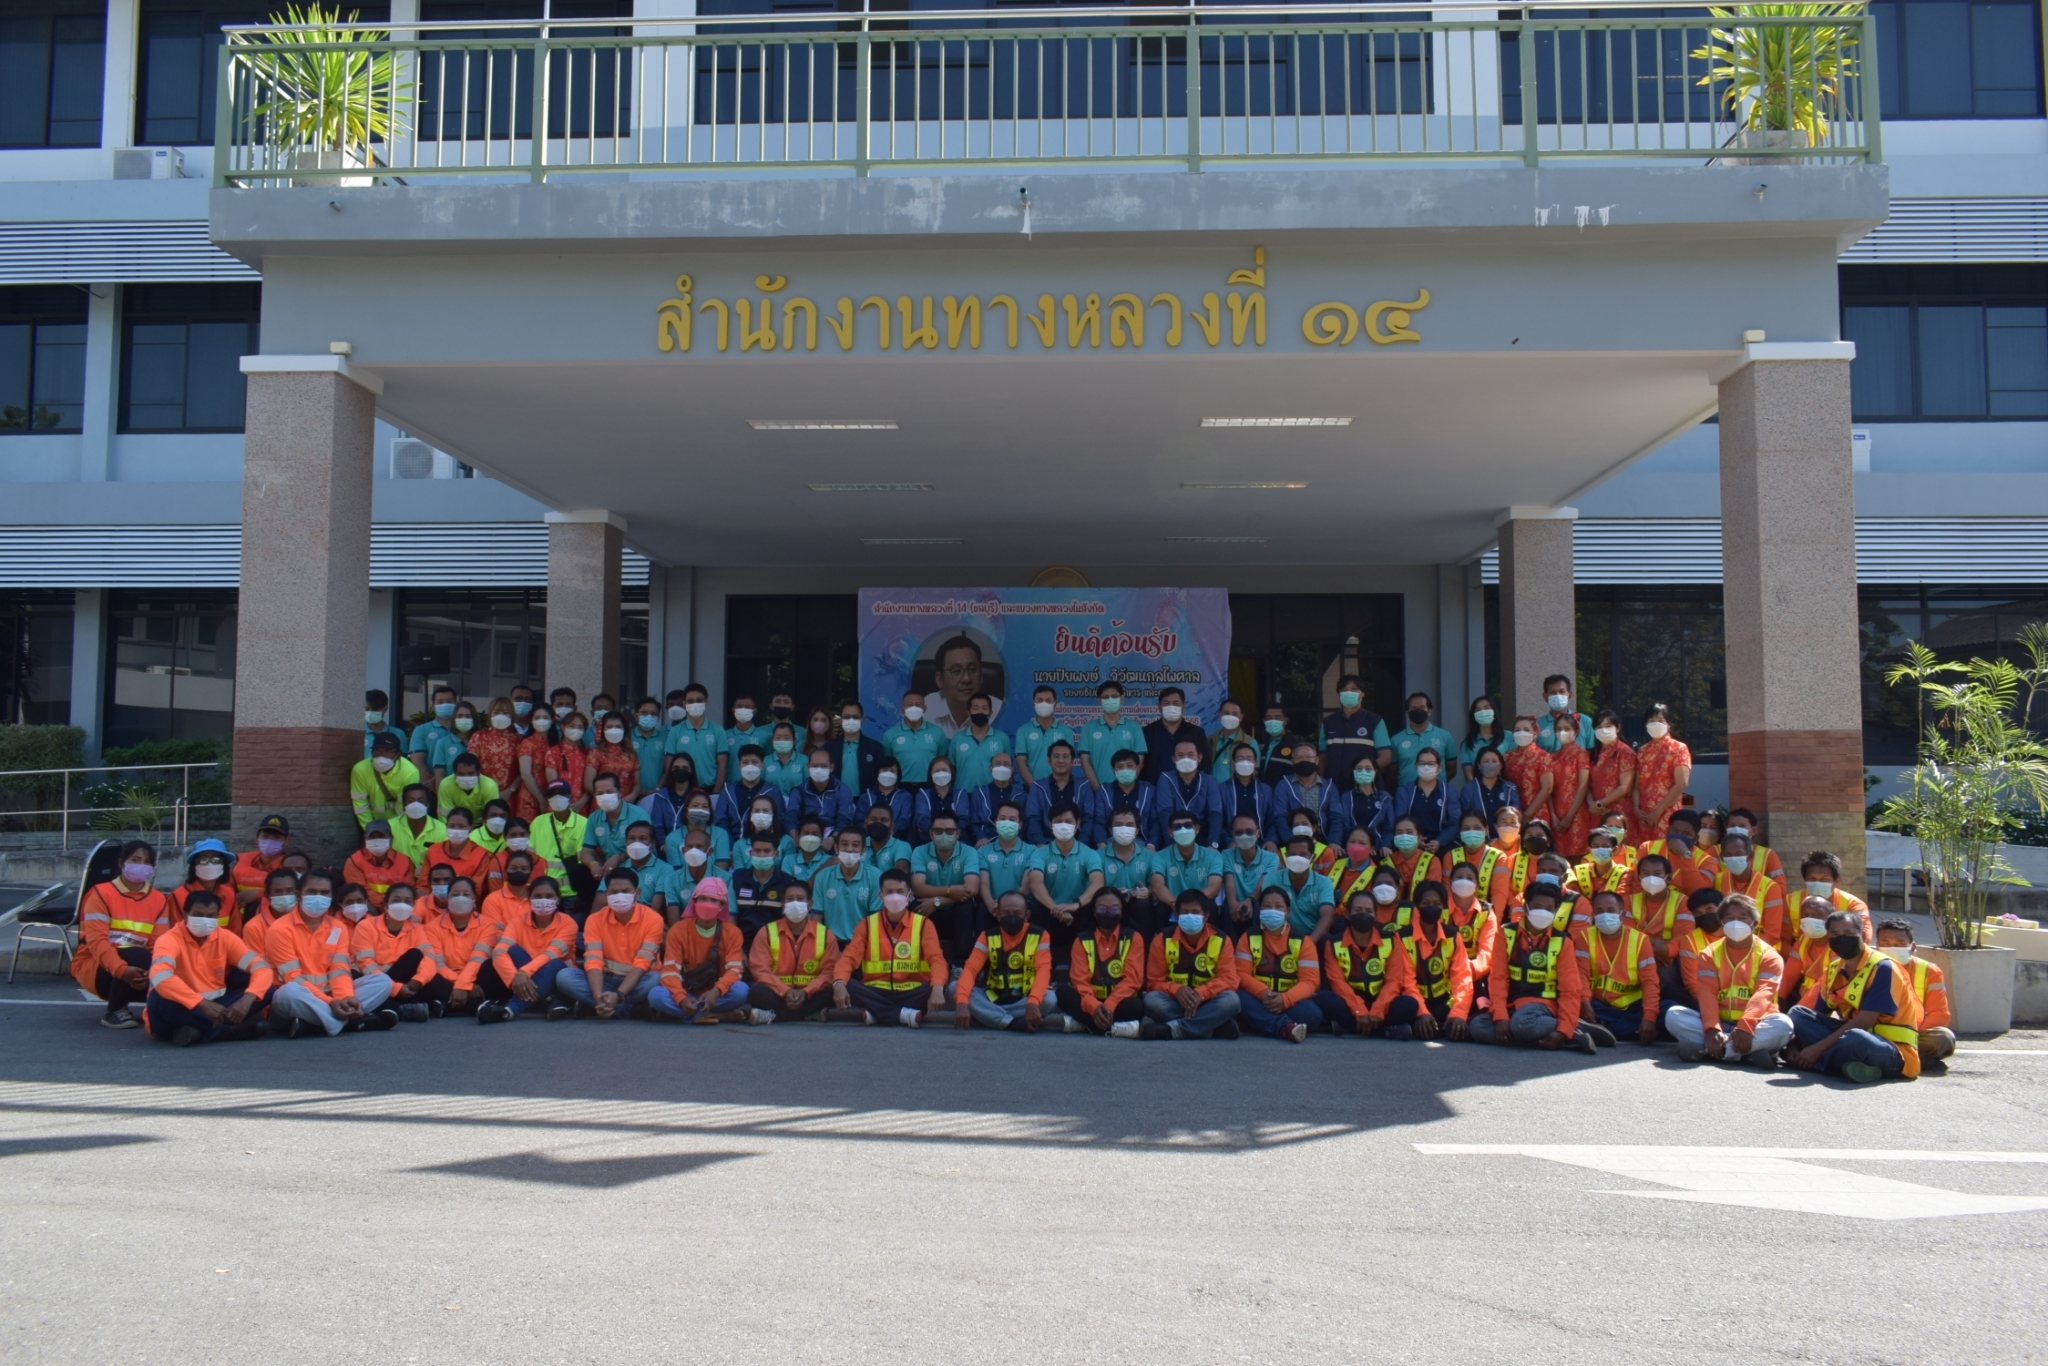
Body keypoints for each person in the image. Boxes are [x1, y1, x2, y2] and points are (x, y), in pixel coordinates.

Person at [1788, 909, 1924, 1082]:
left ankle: (1816, 1063)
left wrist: (1816, 1049)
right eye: (1835, 934)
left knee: (1855, 1039)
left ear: (1863, 935)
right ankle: (1844, 1065)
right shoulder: (1833, 969)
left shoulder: (1883, 967)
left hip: (1891, 1049)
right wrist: (1793, 1044)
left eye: (1848, 933)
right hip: (1848, 1035)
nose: (1841, 939)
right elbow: (1819, 1014)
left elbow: (1866, 1020)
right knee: (1798, 1014)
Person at [1667, 893, 1794, 1067]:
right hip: (1719, 1022)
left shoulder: (1769, 956)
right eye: (1730, 918)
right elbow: (1707, 993)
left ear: (1755, 923)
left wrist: (1745, 1026)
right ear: (1722, 922)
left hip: (1756, 1024)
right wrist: (1712, 1028)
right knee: (1674, 1015)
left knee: (1784, 1025)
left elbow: (1763, 993)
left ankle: (1709, 1051)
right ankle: (1745, 1054)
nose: (1736, 922)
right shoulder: (1709, 953)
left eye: (1743, 917)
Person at [266, 871, 399, 1037]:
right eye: (312, 892)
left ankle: (320, 1024)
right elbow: (293, 977)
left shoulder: (338, 927)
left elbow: (339, 969)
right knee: (289, 992)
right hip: (299, 997)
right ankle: (352, 1022)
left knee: (382, 981)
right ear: (299, 895)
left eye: (324, 893)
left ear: (331, 897)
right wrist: (331, 1002)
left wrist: (346, 997)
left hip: (330, 994)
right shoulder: (279, 929)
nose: (318, 897)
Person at [1470, 884, 1595, 1052]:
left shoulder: (1563, 942)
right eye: (1537, 906)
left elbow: (1570, 990)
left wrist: (1563, 1029)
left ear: (1556, 911)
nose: (1543, 912)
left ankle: (1568, 1028)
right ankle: (1570, 1036)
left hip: (1545, 1006)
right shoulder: (1506, 933)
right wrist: (1500, 1017)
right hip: (1513, 1006)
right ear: (1526, 907)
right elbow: (1498, 979)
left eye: (1549, 908)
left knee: (1522, 1024)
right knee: (1478, 1026)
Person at [142, 889, 272, 1045]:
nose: (204, 920)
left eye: (210, 916)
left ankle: (195, 1032)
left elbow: (261, 967)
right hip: (180, 1008)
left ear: (217, 917)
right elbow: (161, 977)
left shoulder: (225, 938)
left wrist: (248, 998)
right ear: (185, 916)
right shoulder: (168, 940)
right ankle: (224, 1032)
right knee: (157, 998)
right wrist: (201, 1003)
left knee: (266, 989)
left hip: (216, 1006)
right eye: (198, 915)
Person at [71, 840, 174, 1029]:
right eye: (135, 860)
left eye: (147, 862)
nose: (141, 865)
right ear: (121, 863)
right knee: (137, 954)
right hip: (96, 965)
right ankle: (114, 1010)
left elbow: (159, 944)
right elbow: (97, 942)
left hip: (139, 969)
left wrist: (152, 973)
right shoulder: (101, 894)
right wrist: (122, 970)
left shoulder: (159, 899)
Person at [831, 871, 949, 1027]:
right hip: (875, 991)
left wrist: (937, 989)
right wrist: (839, 984)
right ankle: (903, 1014)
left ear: (909, 896)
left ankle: (877, 1012)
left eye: (900, 892)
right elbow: (848, 958)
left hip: (911, 991)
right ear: (881, 896)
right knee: (845, 983)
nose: (895, 897)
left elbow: (936, 959)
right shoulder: (867, 924)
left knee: (939, 984)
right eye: (889, 892)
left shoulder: (923, 924)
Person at [652, 879, 761, 1023]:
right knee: (656, 995)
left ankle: (685, 1015)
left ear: (722, 905)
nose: (707, 904)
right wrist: (681, 998)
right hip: (686, 993)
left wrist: (716, 991)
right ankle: (719, 1016)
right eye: (703, 899)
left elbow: (734, 970)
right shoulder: (678, 930)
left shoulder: (733, 933)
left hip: (716, 995)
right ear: (694, 902)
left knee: (741, 990)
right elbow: (670, 971)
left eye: (714, 900)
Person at [1314, 889, 1420, 1038]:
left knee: (1409, 1004)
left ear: (1376, 915)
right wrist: (1359, 1010)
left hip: (1381, 1001)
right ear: (1347, 914)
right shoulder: (1332, 944)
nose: (1363, 915)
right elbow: (1337, 983)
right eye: (1358, 910)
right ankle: (1385, 1031)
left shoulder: (1391, 940)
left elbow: (1394, 981)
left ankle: (1351, 1028)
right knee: (1323, 998)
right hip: (1350, 1002)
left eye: (1368, 911)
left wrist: (1378, 1009)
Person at [560, 869, 664, 1019]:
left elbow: (643, 963)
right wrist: (597, 996)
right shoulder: (595, 919)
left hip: (639, 980)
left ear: (637, 893)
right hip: (606, 979)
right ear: (606, 895)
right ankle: (626, 1009)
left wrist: (619, 994)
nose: (620, 896)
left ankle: (596, 1007)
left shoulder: (653, 919)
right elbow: (593, 960)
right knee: (564, 977)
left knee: (656, 979)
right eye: (614, 892)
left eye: (625, 891)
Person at [1142, 892, 1245, 1039]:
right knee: (1152, 1000)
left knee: (1231, 1001)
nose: (1190, 916)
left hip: (1208, 1001)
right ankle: (1211, 1026)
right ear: (1176, 915)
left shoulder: (1222, 940)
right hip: (1175, 1002)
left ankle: (1172, 1030)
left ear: (1206, 916)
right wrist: (1177, 990)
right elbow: (1153, 982)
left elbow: (1229, 979)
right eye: (1185, 912)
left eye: (1195, 912)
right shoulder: (1162, 940)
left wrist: (1200, 993)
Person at [954, 889, 1060, 1032]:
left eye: (1017, 913)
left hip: (1025, 1000)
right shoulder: (987, 936)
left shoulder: (1040, 935)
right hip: (992, 998)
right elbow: (971, 969)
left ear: (1026, 915)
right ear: (997, 914)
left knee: (1050, 998)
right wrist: (961, 1001)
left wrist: (1034, 1001)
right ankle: (1011, 1023)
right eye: (1006, 913)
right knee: (955, 987)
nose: (1012, 917)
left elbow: (1043, 970)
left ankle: (988, 1017)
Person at [476, 876, 578, 1023]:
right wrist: (514, 978)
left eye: (549, 896)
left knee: (556, 963)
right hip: (526, 977)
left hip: (556, 975)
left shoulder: (568, 924)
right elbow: (499, 951)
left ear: (558, 899)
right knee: (514, 951)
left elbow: (550, 955)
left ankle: (509, 1010)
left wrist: (523, 973)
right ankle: (548, 999)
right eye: (538, 896)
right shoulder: (517, 922)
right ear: (529, 899)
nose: (543, 900)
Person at [1233, 888, 1323, 1042]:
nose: (1272, 911)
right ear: (1259, 910)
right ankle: (1284, 1027)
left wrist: (1285, 999)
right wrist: (1263, 993)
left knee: (1312, 1014)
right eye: (1267, 906)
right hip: (1258, 999)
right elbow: (1240, 974)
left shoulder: (1303, 941)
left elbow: (1310, 981)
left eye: (1278, 906)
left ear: (1288, 912)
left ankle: (1258, 1022)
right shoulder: (1248, 937)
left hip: (1290, 1001)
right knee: (1237, 998)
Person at [349, 879, 444, 1022]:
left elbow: (429, 957)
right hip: (375, 979)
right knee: (354, 977)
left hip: (405, 978)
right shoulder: (366, 926)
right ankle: (401, 1008)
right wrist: (395, 988)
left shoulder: (417, 929)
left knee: (417, 958)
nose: (402, 905)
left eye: (407, 901)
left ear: (413, 906)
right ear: (386, 904)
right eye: (397, 900)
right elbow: (365, 963)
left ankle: (396, 1006)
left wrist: (417, 981)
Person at [1060, 888, 1148, 1037]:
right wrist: (1094, 1006)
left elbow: (1133, 980)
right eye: (1102, 908)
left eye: (1114, 909)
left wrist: (1110, 1004)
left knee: (1137, 1006)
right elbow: (1079, 981)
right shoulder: (1081, 940)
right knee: (1063, 993)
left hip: (1120, 1000)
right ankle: (1111, 1028)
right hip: (1091, 998)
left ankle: (1087, 1024)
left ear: (1122, 911)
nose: (1108, 913)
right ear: (1094, 911)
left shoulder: (1134, 937)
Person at [745, 885, 839, 1022]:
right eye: (790, 899)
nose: (795, 903)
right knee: (757, 991)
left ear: (810, 904)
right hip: (778, 993)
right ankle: (808, 1014)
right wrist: (785, 991)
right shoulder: (767, 932)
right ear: (783, 904)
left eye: (800, 899)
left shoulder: (825, 934)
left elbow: (829, 972)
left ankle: (775, 1015)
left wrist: (806, 992)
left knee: (833, 990)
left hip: (811, 994)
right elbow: (760, 969)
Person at [1579, 889, 1661, 1045]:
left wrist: (1649, 1017)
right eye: (1599, 911)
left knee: (1667, 1010)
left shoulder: (1640, 940)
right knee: (1573, 1004)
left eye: (1611, 910)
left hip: (1633, 1006)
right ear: (1593, 915)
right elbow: (1581, 975)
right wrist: (1584, 1002)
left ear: (1622, 915)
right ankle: (1623, 1030)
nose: (1605, 915)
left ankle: (1604, 1029)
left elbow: (1650, 982)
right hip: (1597, 1005)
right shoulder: (1583, 937)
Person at [1025, 803, 1105, 956]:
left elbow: (1098, 883)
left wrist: (1075, 905)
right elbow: (1035, 883)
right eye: (1058, 821)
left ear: (1078, 824)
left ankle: (1084, 960)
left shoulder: (1090, 854)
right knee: (1034, 906)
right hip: (1050, 909)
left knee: (1092, 907)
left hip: (1078, 910)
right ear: (1050, 824)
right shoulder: (1039, 854)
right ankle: (1044, 961)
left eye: (1068, 821)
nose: (1063, 826)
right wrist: (1055, 908)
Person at [1400, 881, 1474, 1040]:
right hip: (1415, 1003)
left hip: (1444, 1002)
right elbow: (1407, 982)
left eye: (1436, 904)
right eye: (1426, 903)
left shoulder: (1453, 936)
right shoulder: (1402, 937)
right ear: (1417, 905)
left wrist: (1458, 1013)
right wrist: (1422, 1013)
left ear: (1443, 907)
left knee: (1463, 1025)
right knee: (1406, 1011)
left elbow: (1462, 977)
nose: (1431, 907)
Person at [1875, 918, 1955, 1064]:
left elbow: (1940, 1014)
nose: (1892, 949)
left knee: (1943, 1038)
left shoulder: (1930, 971)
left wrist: (1910, 1037)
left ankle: (1890, 1061)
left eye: (1900, 944)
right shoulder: (1867, 968)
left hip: (1916, 1035)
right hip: (1876, 1033)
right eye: (1886, 944)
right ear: (1877, 946)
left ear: (1912, 947)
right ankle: (1911, 1062)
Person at [431, 877, 507, 1018]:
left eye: (466, 894)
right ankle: (475, 1005)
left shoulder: (488, 925)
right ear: (447, 898)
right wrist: (463, 985)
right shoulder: (432, 927)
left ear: (474, 899)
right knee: (427, 973)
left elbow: (478, 959)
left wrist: (463, 985)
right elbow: (438, 965)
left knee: (492, 965)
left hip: (477, 977)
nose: (460, 898)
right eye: (455, 894)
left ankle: (447, 1004)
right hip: (446, 978)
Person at [912, 810, 984, 958]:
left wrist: (937, 901)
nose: (944, 835)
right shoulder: (919, 851)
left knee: (966, 905)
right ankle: (920, 960)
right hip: (929, 909)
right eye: (938, 831)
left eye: (949, 831)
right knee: (915, 904)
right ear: (931, 834)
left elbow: (971, 889)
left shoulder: (969, 852)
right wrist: (950, 890)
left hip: (953, 910)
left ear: (957, 834)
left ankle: (959, 964)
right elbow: (918, 888)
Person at [1712, 828, 1786, 948]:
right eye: (1728, 855)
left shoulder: (1770, 887)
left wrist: (1744, 951)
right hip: (1725, 948)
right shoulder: (1716, 881)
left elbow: (1772, 935)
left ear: (1750, 856)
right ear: (1721, 857)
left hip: (1761, 950)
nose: (1733, 858)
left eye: (1739, 854)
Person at [1630, 702, 1693, 840]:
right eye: (1651, 720)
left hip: (1667, 813)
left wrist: (1658, 811)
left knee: (1667, 849)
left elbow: (1681, 783)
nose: (1655, 724)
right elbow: (1636, 786)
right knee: (1647, 850)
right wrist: (1636, 808)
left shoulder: (1678, 748)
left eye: (1660, 720)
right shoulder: (1642, 751)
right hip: (1644, 815)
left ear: (1668, 724)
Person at [1322, 675, 1392, 790]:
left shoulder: (1375, 721)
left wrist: (1366, 773)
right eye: (1344, 690)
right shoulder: (1328, 722)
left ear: (1363, 693)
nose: (1349, 693)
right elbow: (1323, 758)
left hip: (1364, 786)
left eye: (1354, 689)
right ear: (1339, 694)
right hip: (1333, 785)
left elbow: (1386, 756)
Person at [1152, 737, 1225, 848]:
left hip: (1203, 838)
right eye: (1180, 755)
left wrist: (1213, 844)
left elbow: (1215, 814)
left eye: (1191, 755)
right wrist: (1170, 845)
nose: (1186, 759)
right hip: (1174, 838)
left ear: (1199, 758)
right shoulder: (1165, 779)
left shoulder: (1209, 781)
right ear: (1173, 759)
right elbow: (1164, 813)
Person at [1262, 833, 1337, 941]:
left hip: (1312, 936)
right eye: (1292, 854)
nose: (1297, 858)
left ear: (1312, 858)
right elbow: (1268, 912)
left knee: (1327, 939)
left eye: (1303, 854)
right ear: (1286, 856)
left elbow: (1327, 916)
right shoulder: (1272, 878)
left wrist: (1309, 943)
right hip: (1280, 934)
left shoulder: (1324, 882)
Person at [580, 771, 652, 884]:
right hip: (610, 869)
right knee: (578, 872)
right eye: (600, 793)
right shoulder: (594, 818)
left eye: (609, 792)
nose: (605, 797)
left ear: (620, 792)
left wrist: (619, 857)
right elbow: (586, 852)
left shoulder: (638, 815)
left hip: (637, 864)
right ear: (594, 796)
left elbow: (644, 847)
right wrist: (593, 865)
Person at [813, 826, 883, 941]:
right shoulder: (822, 877)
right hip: (831, 942)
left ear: (863, 850)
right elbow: (817, 917)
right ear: (836, 847)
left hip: (863, 942)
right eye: (844, 844)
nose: (849, 849)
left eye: (855, 845)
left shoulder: (875, 876)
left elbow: (875, 920)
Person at [923, 635, 1000, 738]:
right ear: (940, 679)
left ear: (981, 675)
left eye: (972, 669)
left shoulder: (999, 710)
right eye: (956, 671)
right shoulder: (924, 712)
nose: (966, 679)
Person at [1077, 680, 1147, 787]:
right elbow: (1085, 762)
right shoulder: (1089, 727)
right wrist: (1098, 790)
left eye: (1114, 696)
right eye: (1105, 697)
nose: (1110, 700)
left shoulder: (1134, 727)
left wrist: (1127, 788)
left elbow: (1139, 762)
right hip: (1098, 788)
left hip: (1127, 790)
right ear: (1099, 700)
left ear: (1122, 698)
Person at [1389, 754, 1461, 857]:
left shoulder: (1448, 791)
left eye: (1431, 764)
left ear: (1439, 767)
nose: (1426, 767)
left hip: (1441, 841)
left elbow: (1454, 823)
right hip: (1410, 839)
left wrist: (1439, 841)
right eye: (1422, 763)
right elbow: (1399, 820)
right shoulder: (1404, 790)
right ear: (1416, 766)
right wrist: (1415, 839)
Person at [1023, 740, 1091, 844]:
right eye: (1056, 756)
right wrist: (1040, 844)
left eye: (1065, 756)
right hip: (1046, 844)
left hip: (1077, 844)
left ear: (1073, 761)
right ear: (1049, 761)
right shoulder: (1037, 787)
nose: (1061, 760)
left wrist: (1081, 845)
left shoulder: (1083, 786)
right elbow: (1033, 818)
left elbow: (1088, 818)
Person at [662, 683, 727, 791]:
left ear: (706, 701)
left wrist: (715, 793)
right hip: (683, 790)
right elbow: (669, 765)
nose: (695, 704)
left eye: (699, 700)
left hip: (709, 790)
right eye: (690, 701)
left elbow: (722, 766)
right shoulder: (675, 731)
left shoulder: (718, 731)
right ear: (684, 703)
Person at [1221, 813, 1281, 930]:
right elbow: (1229, 883)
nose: (1244, 836)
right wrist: (1232, 902)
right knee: (1226, 908)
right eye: (1239, 832)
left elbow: (1262, 885)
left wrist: (1250, 901)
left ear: (1258, 833)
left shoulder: (1271, 858)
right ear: (1232, 834)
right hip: (1235, 902)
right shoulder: (1226, 855)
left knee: (1258, 907)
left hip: (1257, 903)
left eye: (1249, 832)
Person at [1585, 709, 1637, 843]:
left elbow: (1625, 787)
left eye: (1608, 726)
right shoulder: (1593, 754)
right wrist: (1592, 804)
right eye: (1599, 727)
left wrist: (1599, 804)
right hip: (1597, 813)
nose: (1604, 730)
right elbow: (1588, 785)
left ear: (1617, 728)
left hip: (1619, 813)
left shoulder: (1625, 752)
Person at [1386, 692, 1455, 789]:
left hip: (1437, 792)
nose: (1418, 711)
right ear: (1407, 713)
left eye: (1422, 707)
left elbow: (1452, 769)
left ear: (1429, 711)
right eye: (1413, 708)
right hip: (1406, 793)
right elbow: (1392, 772)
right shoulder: (1396, 739)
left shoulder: (1445, 736)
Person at [1797, 850, 1871, 941]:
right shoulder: (1791, 902)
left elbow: (1863, 937)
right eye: (1811, 879)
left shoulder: (1854, 905)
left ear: (1837, 881)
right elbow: (1784, 937)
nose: (1817, 884)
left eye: (1824, 879)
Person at [788, 746, 860, 839]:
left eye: (823, 766)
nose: (819, 770)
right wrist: (795, 838)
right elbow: (791, 817)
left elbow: (844, 820)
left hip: (834, 836)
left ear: (831, 767)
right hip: (806, 834)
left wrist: (832, 839)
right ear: (808, 767)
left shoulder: (843, 790)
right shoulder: (798, 791)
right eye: (814, 766)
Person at [350, 732, 418, 828]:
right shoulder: (360, 769)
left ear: (398, 755)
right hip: (372, 822)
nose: (381, 757)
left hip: (400, 824)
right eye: (377, 752)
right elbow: (360, 803)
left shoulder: (410, 772)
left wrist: (396, 830)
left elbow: (403, 807)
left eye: (388, 752)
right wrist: (370, 829)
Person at [1546, 715, 1592, 858]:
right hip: (1557, 814)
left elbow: (1583, 786)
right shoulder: (1552, 757)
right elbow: (1548, 789)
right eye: (1559, 729)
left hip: (1577, 813)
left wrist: (1569, 816)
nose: (1562, 732)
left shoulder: (1582, 755)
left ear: (1576, 731)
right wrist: (1553, 815)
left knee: (1578, 856)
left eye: (1567, 728)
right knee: (1559, 858)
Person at [880, 688, 946, 787]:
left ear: (924, 708)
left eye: (918, 705)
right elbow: (888, 762)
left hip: (930, 786)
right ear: (902, 709)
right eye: (910, 705)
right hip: (900, 786)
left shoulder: (938, 732)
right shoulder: (890, 734)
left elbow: (942, 760)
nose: (914, 708)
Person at [529, 780, 589, 889]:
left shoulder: (583, 824)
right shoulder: (538, 822)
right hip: (542, 889)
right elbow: (530, 857)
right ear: (548, 800)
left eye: (561, 793)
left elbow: (582, 861)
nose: (557, 797)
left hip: (571, 891)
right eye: (552, 795)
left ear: (570, 797)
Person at [425, 807, 497, 896]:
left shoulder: (481, 855)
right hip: (432, 901)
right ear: (446, 826)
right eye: (451, 826)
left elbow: (475, 890)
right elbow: (423, 885)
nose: (456, 830)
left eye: (462, 826)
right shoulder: (433, 850)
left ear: (471, 828)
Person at [715, 745, 779, 846]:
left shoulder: (773, 791)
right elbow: (720, 821)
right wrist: (732, 846)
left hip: (763, 847)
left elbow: (778, 820)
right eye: (745, 762)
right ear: (739, 766)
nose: (750, 766)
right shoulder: (727, 791)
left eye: (755, 762)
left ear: (762, 765)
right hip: (730, 846)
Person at [1143, 686, 1209, 783]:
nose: (1171, 707)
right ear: (1159, 707)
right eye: (1166, 703)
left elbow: (1205, 765)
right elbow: (1142, 764)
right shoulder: (1147, 732)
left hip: (1188, 788)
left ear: (1183, 707)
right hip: (1155, 788)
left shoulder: (1197, 732)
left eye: (1176, 703)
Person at [962, 749, 1028, 845]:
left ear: (1012, 769)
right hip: (986, 842)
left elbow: (1025, 822)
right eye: (998, 764)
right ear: (991, 769)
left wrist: (1016, 838)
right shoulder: (979, 794)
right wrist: (981, 837)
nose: (1001, 767)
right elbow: (973, 822)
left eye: (1006, 764)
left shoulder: (1021, 795)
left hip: (1014, 841)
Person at [1012, 684, 1074, 787]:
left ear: (1055, 703)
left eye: (1048, 700)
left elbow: (1068, 763)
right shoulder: (1023, 731)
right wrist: (1035, 789)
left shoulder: (1066, 731)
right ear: (1033, 703)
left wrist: (1059, 786)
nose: (1044, 704)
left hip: (1058, 788)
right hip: (1030, 788)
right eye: (1040, 700)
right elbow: (1021, 763)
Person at [172, 838, 239, 929]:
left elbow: (235, 930)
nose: (210, 864)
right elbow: (176, 931)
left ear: (224, 865)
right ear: (194, 865)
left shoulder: (229, 894)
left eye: (216, 859)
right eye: (203, 859)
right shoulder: (178, 896)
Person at [1500, 718, 1555, 828]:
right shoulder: (1507, 757)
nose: (1521, 733)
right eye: (1517, 730)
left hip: (1536, 813)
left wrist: (1527, 814)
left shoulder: (1543, 757)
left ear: (1534, 733)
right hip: (1511, 815)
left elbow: (1547, 788)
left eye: (1526, 730)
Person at [232, 816, 290, 914]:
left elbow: (296, 894)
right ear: (257, 839)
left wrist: (259, 894)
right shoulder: (241, 861)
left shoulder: (291, 866)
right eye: (265, 837)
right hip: (240, 918)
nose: (270, 841)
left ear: (286, 841)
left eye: (277, 838)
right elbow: (226, 889)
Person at [1270, 740, 1327, 838]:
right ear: (1292, 762)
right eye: (1299, 758)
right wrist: (1289, 841)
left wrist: (1334, 841)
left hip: (1323, 839)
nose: (1304, 761)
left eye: (1308, 757)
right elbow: (1280, 816)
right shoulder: (1283, 785)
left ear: (1317, 760)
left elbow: (1336, 817)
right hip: (1292, 838)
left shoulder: (1328, 786)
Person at [468, 697, 521, 796]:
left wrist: (510, 790)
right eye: (496, 712)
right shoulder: (479, 736)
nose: (500, 716)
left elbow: (523, 772)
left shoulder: (519, 740)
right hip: (482, 793)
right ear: (490, 715)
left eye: (505, 712)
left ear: (512, 715)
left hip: (509, 795)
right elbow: (471, 765)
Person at [410, 684, 461, 784]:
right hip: (429, 785)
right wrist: (433, 781)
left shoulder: (463, 730)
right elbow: (417, 761)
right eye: (440, 702)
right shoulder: (421, 730)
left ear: (456, 703)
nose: (445, 705)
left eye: (449, 701)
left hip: (458, 784)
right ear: (433, 705)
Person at [856, 759, 918, 841]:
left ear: (898, 775)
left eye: (892, 771)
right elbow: (859, 820)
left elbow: (905, 820)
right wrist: (873, 832)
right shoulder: (866, 796)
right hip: (868, 839)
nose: (888, 774)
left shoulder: (905, 797)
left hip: (896, 839)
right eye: (884, 770)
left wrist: (889, 831)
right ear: (877, 773)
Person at [587, 711, 642, 804]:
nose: (614, 730)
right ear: (602, 730)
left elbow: (637, 784)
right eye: (609, 727)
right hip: (602, 804)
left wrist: (633, 796)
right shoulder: (596, 753)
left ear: (624, 729)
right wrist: (606, 797)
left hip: (626, 803)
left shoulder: (631, 754)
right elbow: (588, 783)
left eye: (618, 726)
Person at [832, 701, 885, 794]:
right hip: (837, 799)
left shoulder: (874, 747)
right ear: (840, 720)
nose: (851, 720)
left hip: (866, 799)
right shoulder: (830, 747)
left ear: (862, 720)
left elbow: (880, 776)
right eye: (847, 717)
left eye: (855, 717)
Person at [437, 751, 501, 823]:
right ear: (455, 773)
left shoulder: (490, 786)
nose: (466, 777)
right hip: (456, 825)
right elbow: (445, 817)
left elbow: (492, 818)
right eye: (461, 774)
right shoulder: (446, 785)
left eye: (471, 773)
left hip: (481, 825)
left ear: (478, 773)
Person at [1536, 675, 1594, 752]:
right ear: (1545, 696)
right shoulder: (1537, 724)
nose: (1557, 696)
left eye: (1562, 691)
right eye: (1552, 692)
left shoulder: (1584, 721)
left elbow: (1592, 752)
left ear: (1569, 695)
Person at [912, 757, 964, 842]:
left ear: (951, 772)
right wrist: (935, 833)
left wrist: (951, 834)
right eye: (937, 771)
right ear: (931, 774)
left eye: (944, 770)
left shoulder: (961, 794)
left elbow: (963, 818)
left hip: (956, 839)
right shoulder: (922, 794)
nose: (941, 774)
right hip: (928, 840)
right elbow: (922, 818)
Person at [1571, 827, 1631, 899]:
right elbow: (1573, 898)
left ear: (1614, 850)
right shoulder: (1578, 871)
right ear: (1590, 850)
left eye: (1605, 846)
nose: (1600, 849)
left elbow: (1622, 897)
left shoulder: (1624, 873)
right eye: (1596, 846)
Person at [723, 693, 774, 777]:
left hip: (757, 783)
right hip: (730, 783)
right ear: (733, 710)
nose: (743, 710)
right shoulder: (724, 735)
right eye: (739, 707)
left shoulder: (765, 736)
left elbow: (769, 761)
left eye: (747, 707)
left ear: (754, 711)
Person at [1207, 700, 1249, 784]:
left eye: (1234, 714)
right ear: (1220, 715)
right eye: (1226, 713)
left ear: (1241, 717)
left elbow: (1254, 774)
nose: (1230, 717)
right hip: (1213, 789)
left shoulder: (1250, 742)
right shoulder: (1210, 740)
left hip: (1236, 790)